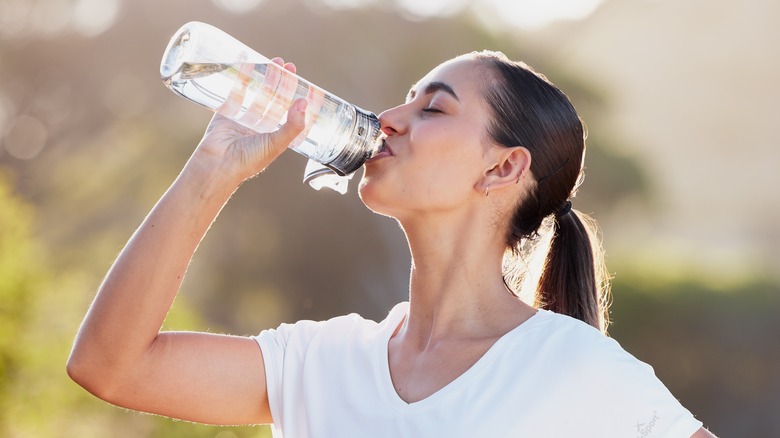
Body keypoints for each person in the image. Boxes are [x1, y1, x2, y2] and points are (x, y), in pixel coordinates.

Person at [67, 51, 717, 437]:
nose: (387, 121)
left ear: (502, 169)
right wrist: (211, 169)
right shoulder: (321, 362)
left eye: (433, 109)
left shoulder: (576, 370)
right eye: (404, 102)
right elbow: (109, 365)